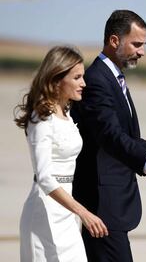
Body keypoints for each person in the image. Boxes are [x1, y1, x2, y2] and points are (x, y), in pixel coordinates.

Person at [71, 10, 146, 261]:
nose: (142, 51)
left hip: (114, 204)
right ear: (115, 41)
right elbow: (111, 136)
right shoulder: (97, 80)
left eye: (144, 44)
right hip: (102, 203)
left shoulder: (113, 78)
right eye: (137, 44)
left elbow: (129, 136)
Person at [15, 46, 108, 261]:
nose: (84, 83)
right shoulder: (42, 119)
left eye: (82, 76)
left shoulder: (66, 113)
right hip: (44, 213)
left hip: (67, 213)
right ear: (57, 79)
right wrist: (83, 213)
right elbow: (45, 178)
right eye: (77, 77)